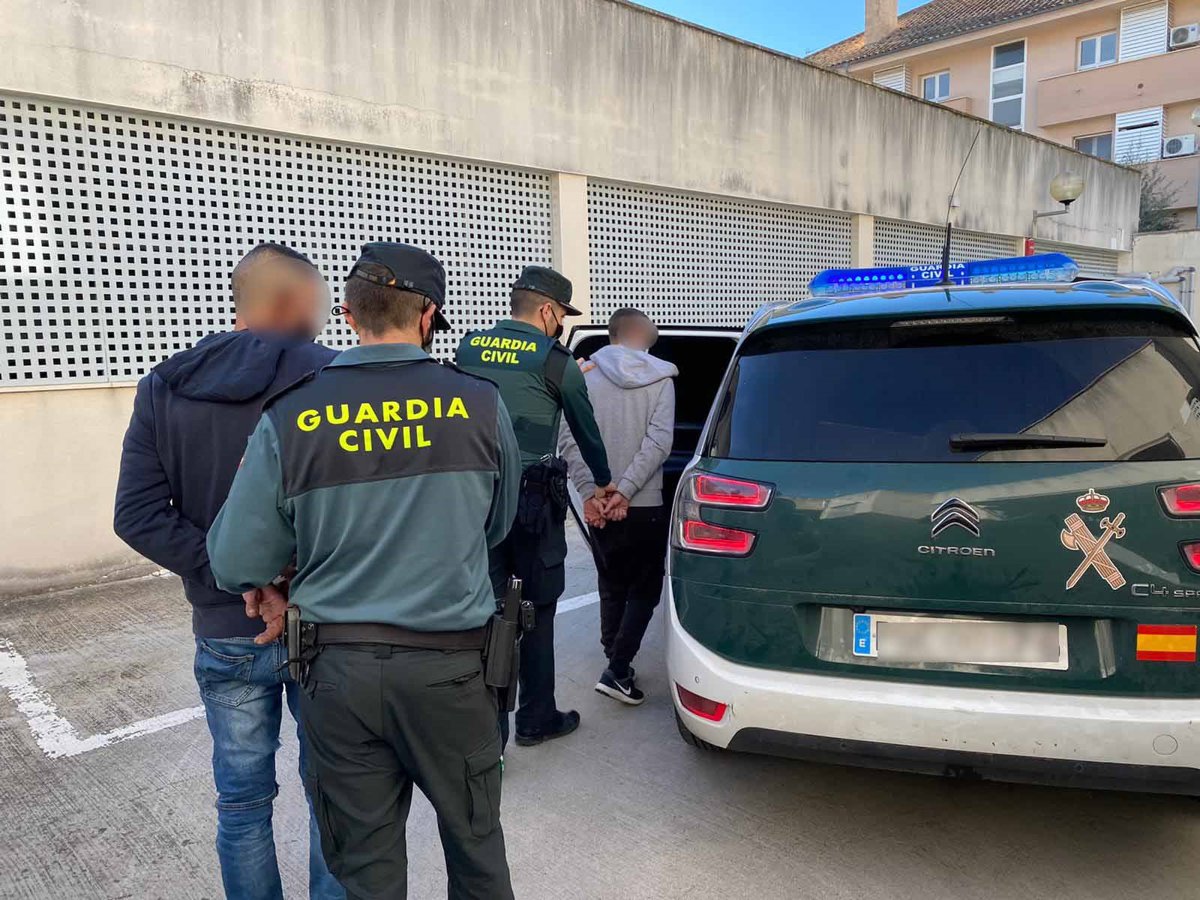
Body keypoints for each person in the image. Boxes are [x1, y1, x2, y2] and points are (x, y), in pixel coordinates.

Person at [207, 242, 521, 900]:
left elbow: (235, 559)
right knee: (477, 851)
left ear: (348, 315)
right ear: (429, 316)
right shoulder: (481, 404)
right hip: (452, 673)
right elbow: (495, 527)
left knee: (365, 873)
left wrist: (286, 572)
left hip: (338, 677)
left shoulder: (292, 413)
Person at [113, 243, 344, 900]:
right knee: (336, 795)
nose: (324, 319)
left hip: (224, 629)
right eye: (321, 304)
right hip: (323, 625)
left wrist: (241, 577)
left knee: (242, 803)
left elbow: (137, 515)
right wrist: (285, 581)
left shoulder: (165, 385)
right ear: (293, 302)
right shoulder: (334, 377)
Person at [455, 266, 615, 748]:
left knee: (487, 608)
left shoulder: (469, 347)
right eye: (562, 314)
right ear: (547, 310)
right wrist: (603, 484)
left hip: (476, 496)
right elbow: (586, 432)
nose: (561, 323)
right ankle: (536, 718)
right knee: (538, 608)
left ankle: (488, 732)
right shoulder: (556, 361)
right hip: (532, 501)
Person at [560, 308, 677, 705]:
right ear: (643, 338)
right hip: (644, 503)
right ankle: (618, 669)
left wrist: (592, 493)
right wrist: (624, 492)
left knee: (611, 580)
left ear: (612, 334)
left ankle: (615, 656)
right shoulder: (661, 379)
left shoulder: (582, 376)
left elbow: (568, 438)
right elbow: (659, 444)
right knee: (645, 587)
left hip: (598, 504)